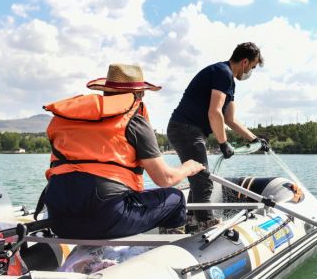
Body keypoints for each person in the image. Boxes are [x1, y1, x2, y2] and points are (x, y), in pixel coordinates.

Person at [39, 64, 205, 239]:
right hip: (106, 217)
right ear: (139, 94)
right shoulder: (134, 121)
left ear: (106, 92)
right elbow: (165, 179)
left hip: (59, 221)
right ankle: (171, 248)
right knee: (176, 198)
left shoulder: (64, 120)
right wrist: (188, 168)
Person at [167, 42, 270, 232]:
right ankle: (205, 222)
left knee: (198, 177)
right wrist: (223, 143)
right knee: (203, 179)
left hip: (186, 129)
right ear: (245, 62)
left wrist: (254, 139)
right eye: (253, 67)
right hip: (185, 129)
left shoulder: (227, 79)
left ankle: (190, 220)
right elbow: (215, 112)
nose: (251, 73)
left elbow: (230, 119)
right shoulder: (223, 73)